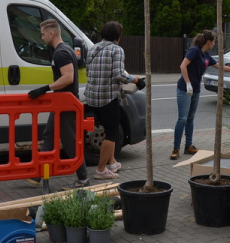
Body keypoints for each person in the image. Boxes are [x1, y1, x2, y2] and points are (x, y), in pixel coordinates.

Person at [28, 19, 90, 189]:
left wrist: (45, 88)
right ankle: (37, 175)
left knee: (70, 141)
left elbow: (68, 77)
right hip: (61, 103)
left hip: (66, 103)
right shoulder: (63, 50)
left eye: (42, 34)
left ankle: (83, 179)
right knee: (49, 135)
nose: (41, 38)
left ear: (51, 33)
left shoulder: (61, 53)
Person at [170, 30, 230, 160]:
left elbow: (220, 66)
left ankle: (188, 146)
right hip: (185, 89)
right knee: (182, 119)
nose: (214, 44)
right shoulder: (195, 51)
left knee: (190, 118)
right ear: (209, 42)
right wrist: (188, 83)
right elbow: (183, 66)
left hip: (195, 90)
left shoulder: (206, 55)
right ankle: (176, 148)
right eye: (214, 41)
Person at [84, 21, 144, 179]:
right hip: (107, 97)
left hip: (91, 97)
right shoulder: (117, 50)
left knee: (106, 129)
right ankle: (100, 170)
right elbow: (119, 74)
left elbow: (88, 72)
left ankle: (112, 162)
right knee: (111, 133)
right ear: (118, 35)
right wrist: (136, 80)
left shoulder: (92, 49)